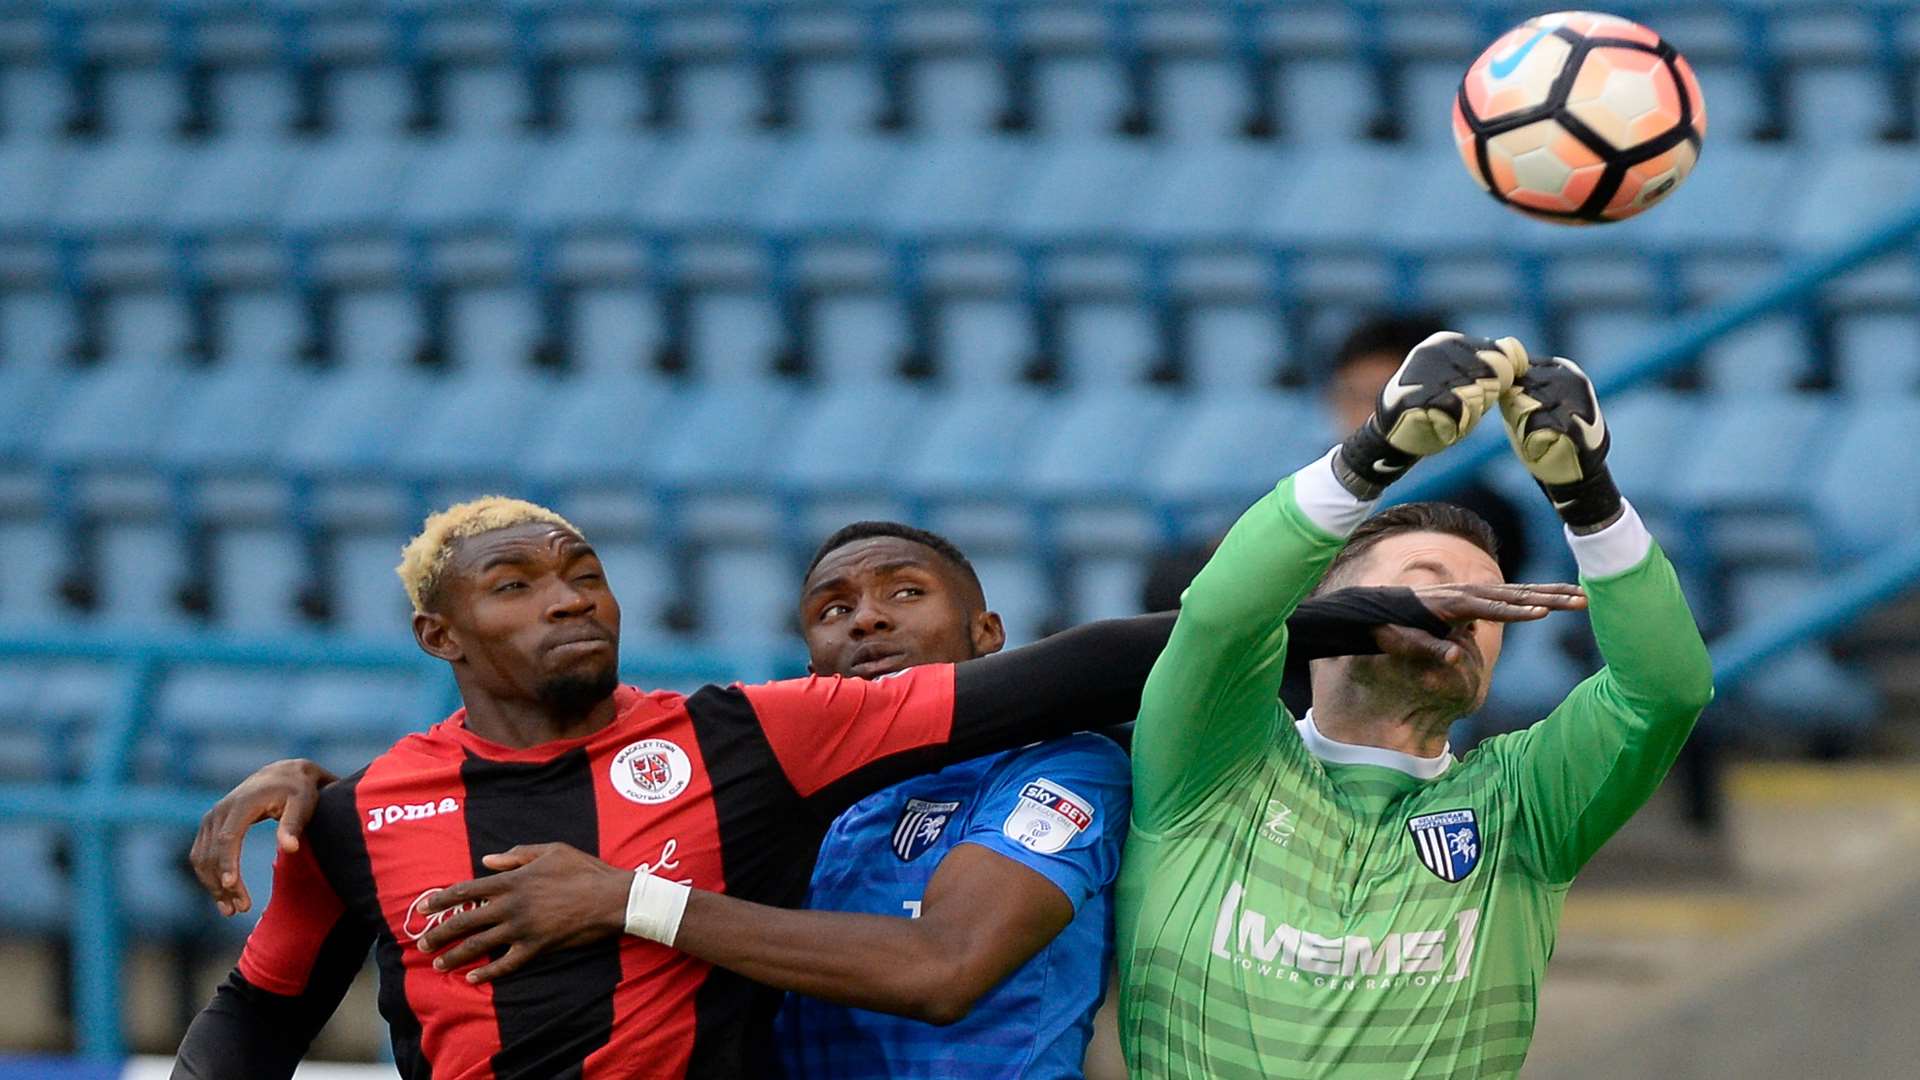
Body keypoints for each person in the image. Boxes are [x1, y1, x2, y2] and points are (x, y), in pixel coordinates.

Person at [176, 495, 1579, 1079]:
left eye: (583, 572)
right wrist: (318, 785)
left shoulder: (770, 752)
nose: (566, 601)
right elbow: (257, 1010)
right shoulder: (371, 809)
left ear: (976, 640)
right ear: (441, 637)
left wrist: (1348, 612)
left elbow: (948, 960)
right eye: (517, 586)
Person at [1114, 335, 1714, 1077]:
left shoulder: (1525, 804)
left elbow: (1666, 690)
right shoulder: (1212, 760)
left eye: (1491, 607)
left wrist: (1589, 502)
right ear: (1328, 611)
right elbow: (1221, 618)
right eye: (1428, 584)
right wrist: (1371, 455)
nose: (1461, 614)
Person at [1327, 312, 1534, 579]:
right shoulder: (1314, 494)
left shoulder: (1483, 515)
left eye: (1384, 398)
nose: (1366, 417)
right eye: (1352, 395)